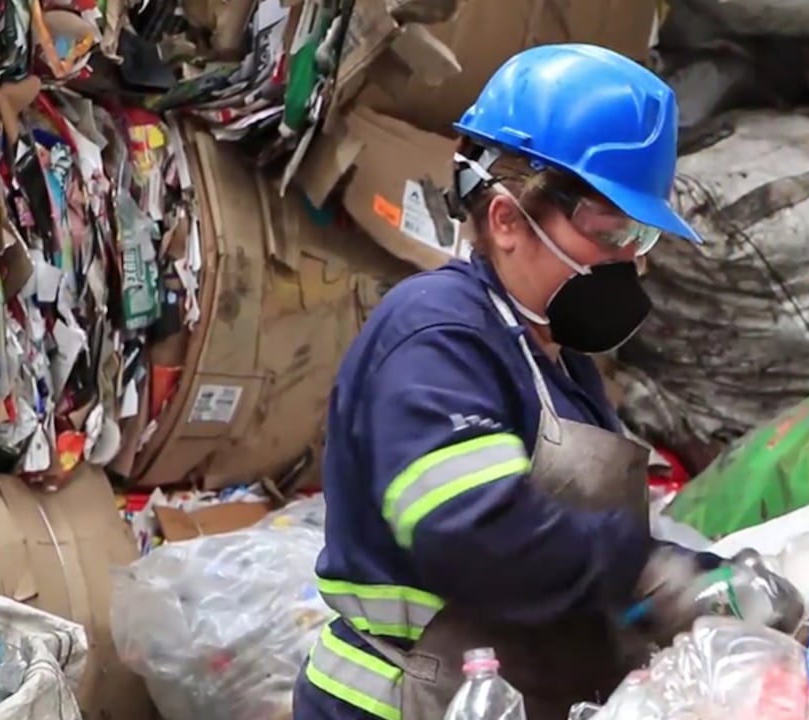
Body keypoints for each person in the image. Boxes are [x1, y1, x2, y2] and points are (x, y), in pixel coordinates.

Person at [292, 43, 734, 720]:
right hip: (405, 704)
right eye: (611, 231)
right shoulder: (438, 335)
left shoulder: (558, 359)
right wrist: (643, 568)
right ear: (506, 220)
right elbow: (471, 531)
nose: (629, 264)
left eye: (639, 239)